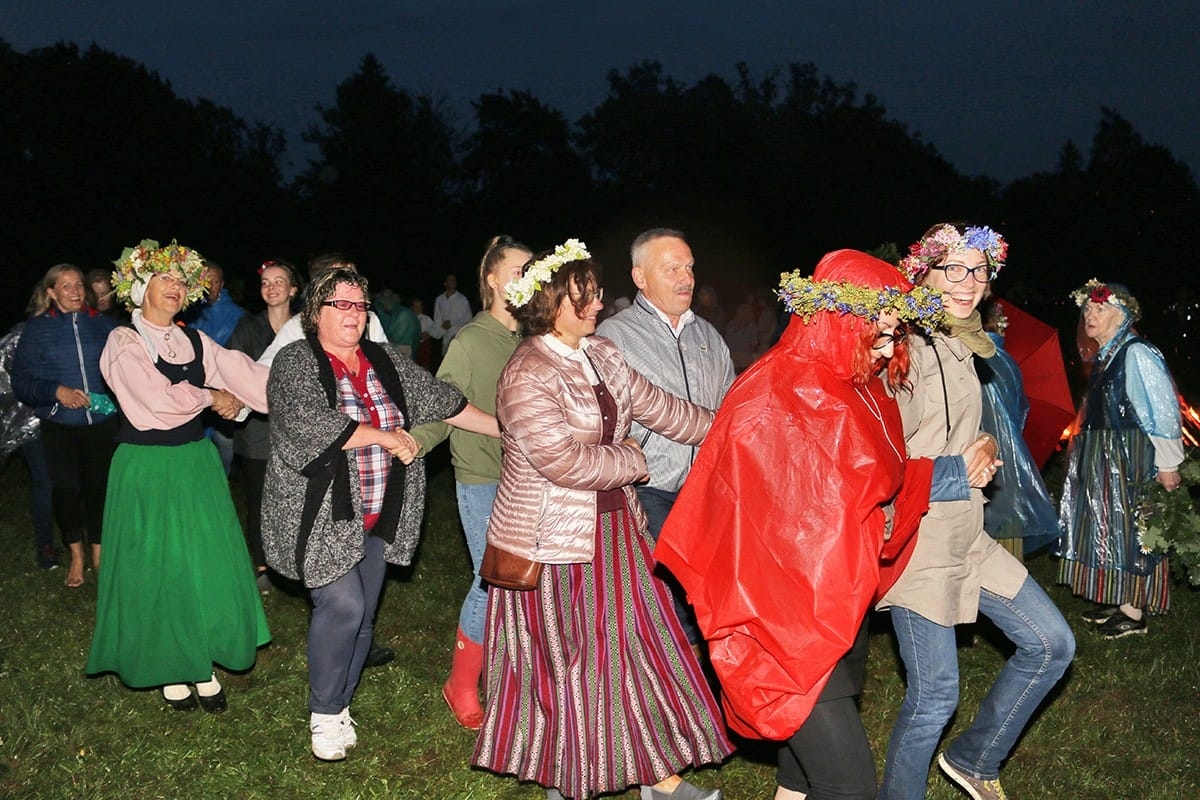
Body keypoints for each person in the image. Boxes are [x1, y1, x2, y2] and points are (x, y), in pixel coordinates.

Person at [657, 250, 963, 800]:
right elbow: (757, 518)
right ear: (845, 322)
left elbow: (873, 483)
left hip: (835, 607)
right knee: (849, 787)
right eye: (881, 332)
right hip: (785, 622)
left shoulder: (851, 385)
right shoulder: (776, 391)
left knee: (800, 779)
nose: (892, 347)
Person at [472, 240, 731, 800]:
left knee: (636, 651)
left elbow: (665, 410)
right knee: (574, 662)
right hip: (556, 541)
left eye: (594, 293)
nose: (595, 304)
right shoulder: (526, 370)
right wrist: (635, 460)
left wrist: (733, 428)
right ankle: (570, 775)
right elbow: (560, 460)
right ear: (550, 302)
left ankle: (657, 778)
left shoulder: (603, 354)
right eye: (582, 296)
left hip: (616, 531)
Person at [261, 267, 498, 762]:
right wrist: (384, 435)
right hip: (319, 515)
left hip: (378, 510)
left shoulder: (385, 360)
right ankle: (324, 713)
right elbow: (312, 425)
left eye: (359, 304)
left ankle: (341, 705)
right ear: (315, 313)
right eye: (340, 304)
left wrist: (510, 430)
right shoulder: (295, 362)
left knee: (364, 615)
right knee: (343, 606)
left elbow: (446, 402)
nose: (352, 313)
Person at [876, 223, 1075, 800]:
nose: (968, 282)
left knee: (1052, 643)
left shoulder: (964, 340)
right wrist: (952, 468)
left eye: (979, 270)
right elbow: (877, 461)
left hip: (969, 529)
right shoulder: (896, 346)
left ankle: (974, 757)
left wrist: (982, 445)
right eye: (953, 269)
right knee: (936, 694)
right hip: (917, 540)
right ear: (925, 273)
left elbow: (955, 428)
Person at [86, 239, 270, 713]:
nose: (174, 287)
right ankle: (169, 663)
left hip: (194, 462)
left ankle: (201, 656)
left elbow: (243, 374)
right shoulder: (123, 340)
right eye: (164, 278)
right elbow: (154, 401)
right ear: (140, 285)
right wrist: (211, 397)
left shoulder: (193, 339)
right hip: (147, 466)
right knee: (158, 566)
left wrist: (296, 385)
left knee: (203, 560)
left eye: (181, 280)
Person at [410, 234, 532, 731]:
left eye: (533, 269)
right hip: (483, 477)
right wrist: (416, 442)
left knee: (527, 583)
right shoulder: (471, 338)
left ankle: (517, 678)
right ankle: (461, 683)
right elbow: (444, 402)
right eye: (519, 269)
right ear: (492, 279)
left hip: (531, 480)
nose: (529, 277)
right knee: (492, 582)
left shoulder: (530, 339)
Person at [596, 227, 735, 646]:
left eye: (689, 267)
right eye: (671, 268)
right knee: (674, 586)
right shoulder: (614, 336)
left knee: (707, 586)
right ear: (640, 278)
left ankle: (693, 680)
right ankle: (678, 676)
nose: (686, 278)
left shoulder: (708, 336)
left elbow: (730, 406)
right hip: (648, 485)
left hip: (705, 486)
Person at [1058, 279, 1185, 637]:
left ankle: (1134, 613)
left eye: (1100, 308)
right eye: (1087, 309)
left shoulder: (1136, 353)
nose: (1090, 314)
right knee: (1112, 527)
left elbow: (1162, 412)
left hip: (1131, 455)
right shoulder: (1109, 353)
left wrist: (1168, 464)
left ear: (1123, 314)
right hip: (1107, 455)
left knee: (1133, 530)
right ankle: (1121, 599)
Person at [12, 263, 119, 587]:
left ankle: (99, 555)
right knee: (67, 490)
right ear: (51, 292)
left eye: (78, 285)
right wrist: (54, 391)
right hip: (59, 423)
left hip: (101, 422)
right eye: (66, 286)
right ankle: (76, 555)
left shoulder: (104, 325)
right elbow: (22, 380)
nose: (75, 291)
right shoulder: (36, 329)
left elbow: (123, 369)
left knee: (100, 489)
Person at [226, 258, 301, 592]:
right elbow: (232, 372)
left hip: (297, 432)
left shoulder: (306, 328)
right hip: (257, 431)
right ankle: (261, 565)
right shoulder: (247, 329)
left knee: (295, 499)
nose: (271, 287)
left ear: (294, 289)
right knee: (259, 500)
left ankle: (295, 560)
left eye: (279, 281)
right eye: (265, 282)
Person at [975, 298, 1060, 560]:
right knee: (1007, 550)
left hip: (980, 463)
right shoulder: (1009, 362)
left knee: (982, 546)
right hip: (1009, 465)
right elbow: (1020, 411)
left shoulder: (973, 358)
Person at [0, 302, 57, 569]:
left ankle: (82, 541)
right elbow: (6, 386)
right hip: (31, 424)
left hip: (66, 418)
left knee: (68, 482)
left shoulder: (66, 333)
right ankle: (45, 544)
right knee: (44, 480)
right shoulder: (18, 338)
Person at [183, 261, 247, 475]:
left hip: (225, 388)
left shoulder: (238, 315)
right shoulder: (185, 310)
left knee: (224, 444)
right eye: (205, 281)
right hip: (192, 388)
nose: (210, 286)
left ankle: (224, 483)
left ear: (222, 284)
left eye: (215, 281)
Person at [431, 273, 472, 355]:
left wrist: (452, 322)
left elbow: (469, 319)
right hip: (445, 340)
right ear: (445, 283)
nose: (452, 282)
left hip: (460, 339)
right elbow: (437, 319)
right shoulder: (439, 300)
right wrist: (439, 330)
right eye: (450, 280)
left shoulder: (462, 299)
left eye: (454, 280)